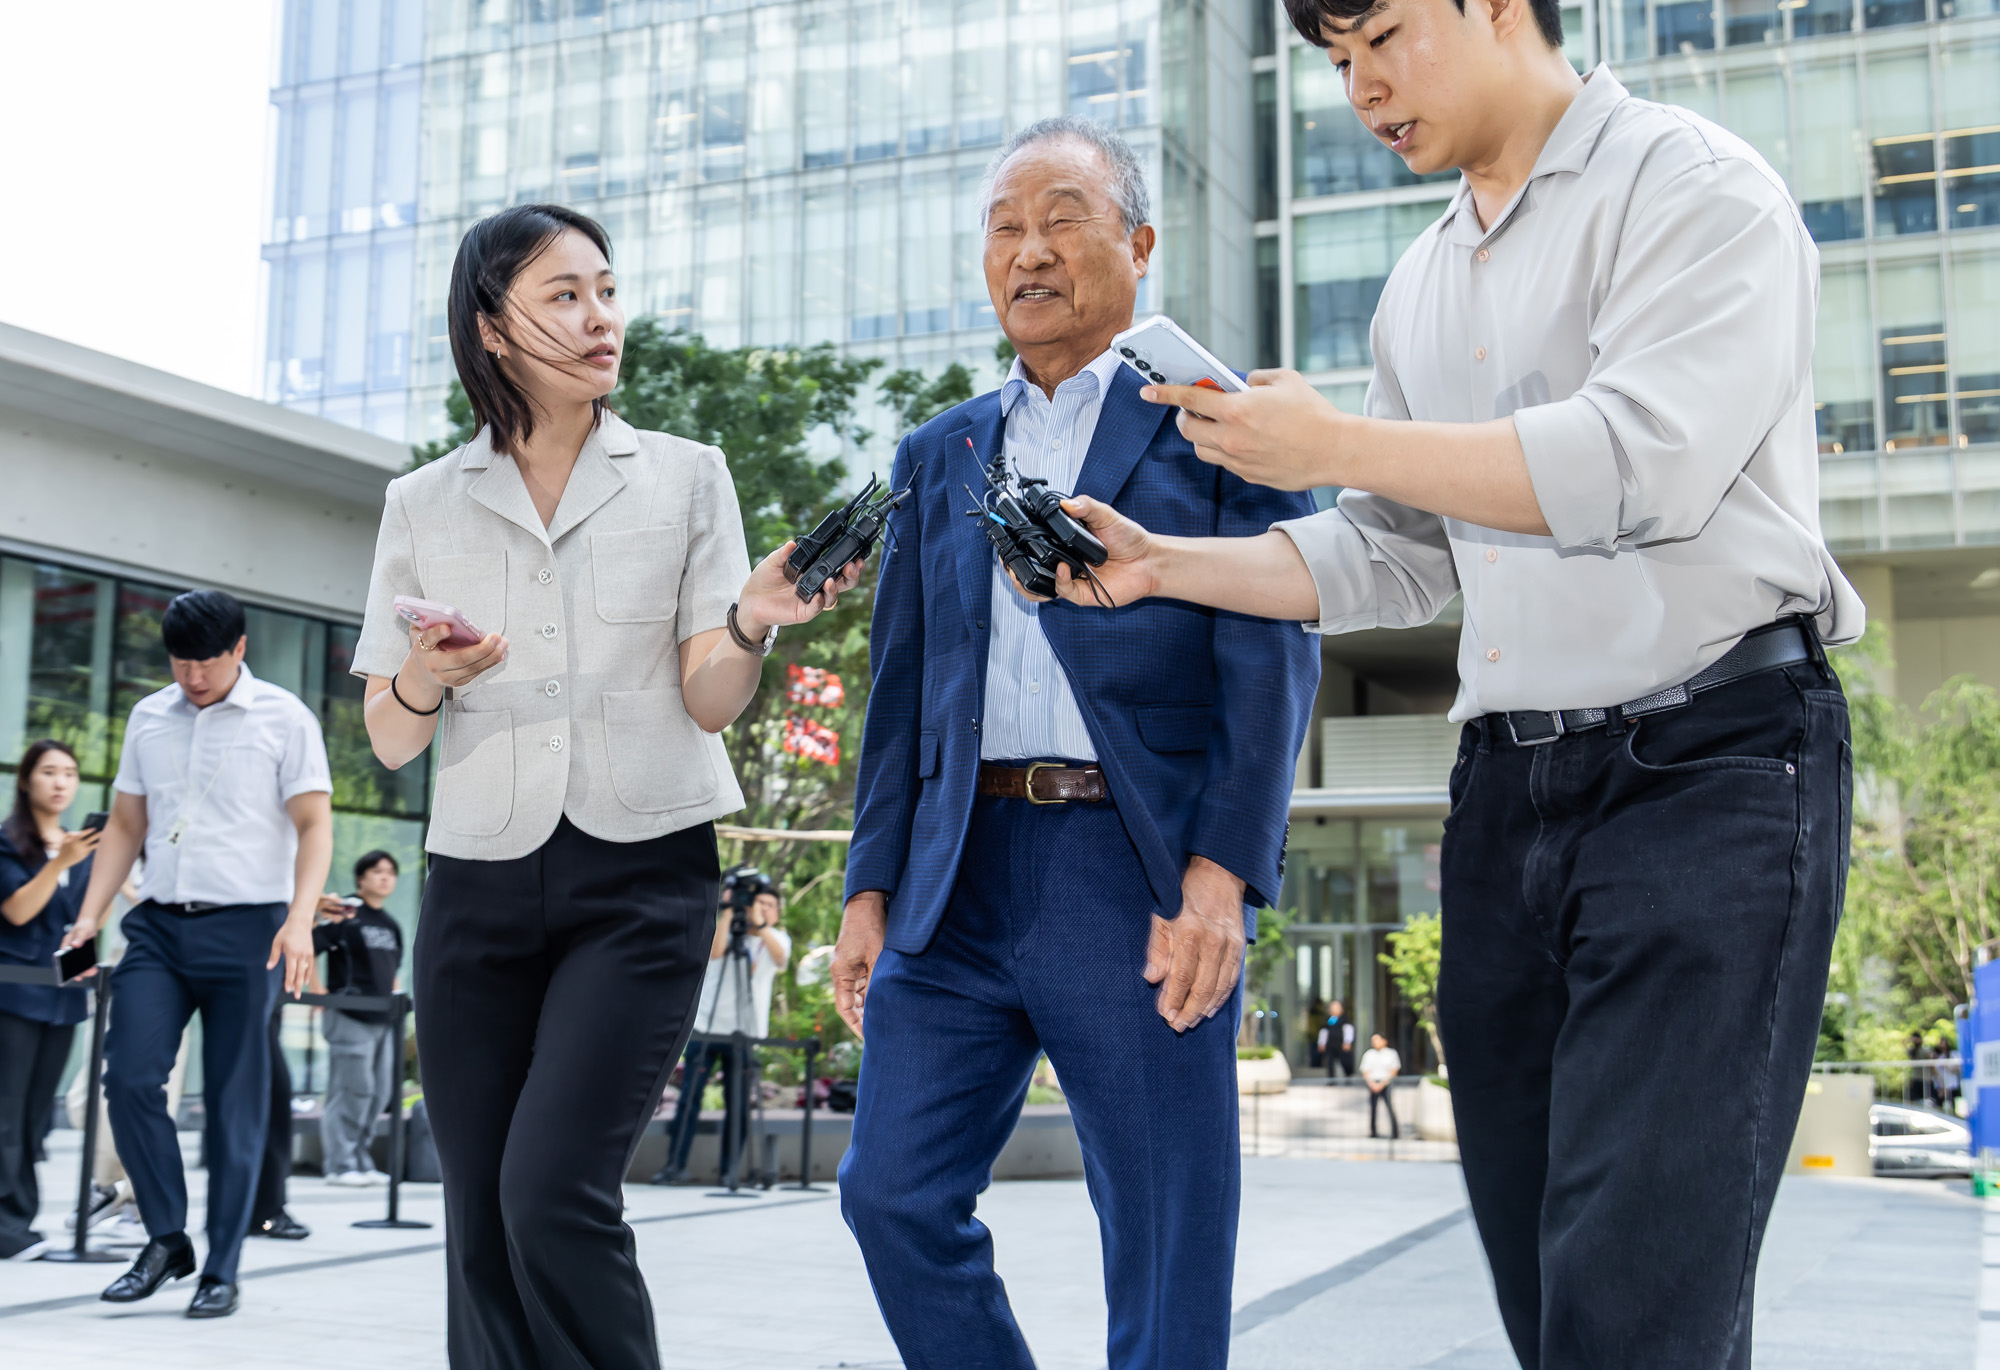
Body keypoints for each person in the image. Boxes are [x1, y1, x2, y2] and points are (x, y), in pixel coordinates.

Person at [1035, 0, 1861, 1361]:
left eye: (1384, 37)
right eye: (1337, 61)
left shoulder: (1692, 186)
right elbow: (1393, 553)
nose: (1361, 87)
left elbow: (1640, 461)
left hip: (1711, 767)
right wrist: (1164, 564)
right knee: (1549, 1298)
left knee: (1632, 1306)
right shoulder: (1422, 279)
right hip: (1506, 798)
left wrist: (1336, 441)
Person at [829, 117, 1319, 1370]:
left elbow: (1270, 659)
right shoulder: (936, 451)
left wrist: (1219, 876)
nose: (1028, 251)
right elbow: (900, 690)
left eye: (1061, 220)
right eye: (1004, 228)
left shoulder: (1219, 423)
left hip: (1131, 868)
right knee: (888, 1194)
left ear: (1138, 245)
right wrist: (867, 888)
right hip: (951, 879)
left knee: (1163, 1233)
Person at [350, 203, 859, 1369]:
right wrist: (426, 674)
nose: (600, 318)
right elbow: (388, 735)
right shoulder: (421, 502)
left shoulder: (686, 476)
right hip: (477, 881)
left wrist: (749, 619)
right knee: (479, 1220)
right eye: (565, 295)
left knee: (549, 1192)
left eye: (606, 291)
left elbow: (709, 698)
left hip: (639, 880)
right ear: (491, 327)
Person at [65, 589, 333, 1319]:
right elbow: (127, 825)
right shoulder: (150, 717)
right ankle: (165, 1238)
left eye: (206, 663)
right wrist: (89, 917)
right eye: (180, 663)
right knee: (128, 1078)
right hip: (158, 925)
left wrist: (300, 919)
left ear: (239, 649)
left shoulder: (284, 718)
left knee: (232, 1104)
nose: (192, 677)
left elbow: (314, 825)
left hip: (251, 930)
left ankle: (222, 1267)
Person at [0, 740, 98, 1262]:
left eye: (70, 773)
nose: (61, 782)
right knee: (6, 1113)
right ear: (25, 780)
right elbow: (17, 911)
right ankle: (7, 1227)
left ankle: (20, 1220)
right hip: (13, 994)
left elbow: (83, 919)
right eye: (49, 772)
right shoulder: (7, 842)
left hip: (62, 997)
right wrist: (59, 861)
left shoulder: (78, 847)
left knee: (36, 1117)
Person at [653, 875, 791, 1185]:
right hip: (706, 1028)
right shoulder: (723, 929)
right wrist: (727, 910)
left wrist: (759, 924)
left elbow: (780, 957)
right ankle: (675, 1167)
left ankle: (730, 1171)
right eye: (758, 903)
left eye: (769, 905)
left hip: (746, 1034)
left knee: (738, 1104)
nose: (762, 908)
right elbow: (715, 953)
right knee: (689, 1100)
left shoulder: (777, 939)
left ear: (777, 912)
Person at [311, 850, 406, 1186]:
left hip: (383, 1019)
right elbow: (310, 944)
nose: (385, 877)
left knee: (379, 1093)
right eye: (377, 871)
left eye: (390, 872)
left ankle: (361, 1162)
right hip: (349, 1014)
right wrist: (317, 991)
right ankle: (340, 1165)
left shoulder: (390, 923)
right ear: (360, 878)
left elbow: (392, 970)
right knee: (352, 1090)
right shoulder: (346, 911)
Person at [1359, 1033, 1401, 1140]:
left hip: (1386, 1083)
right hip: (1373, 1083)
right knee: (1373, 1108)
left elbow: (1394, 1070)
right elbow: (1365, 1070)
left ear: (1384, 1041)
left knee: (1389, 1107)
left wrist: (1382, 1084)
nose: (1374, 1042)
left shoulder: (1391, 1053)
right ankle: (1373, 1132)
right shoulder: (1369, 1054)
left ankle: (1395, 1132)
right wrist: (1372, 1084)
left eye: (1377, 1040)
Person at [1322, 998, 1355, 1079]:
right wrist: (1322, 1042)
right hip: (1331, 1044)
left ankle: (1348, 1076)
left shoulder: (1344, 1019)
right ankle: (1331, 1078)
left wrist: (1347, 1042)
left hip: (1341, 1044)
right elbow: (1324, 1031)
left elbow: (1348, 1030)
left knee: (1345, 1061)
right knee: (1330, 1061)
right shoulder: (1329, 1019)